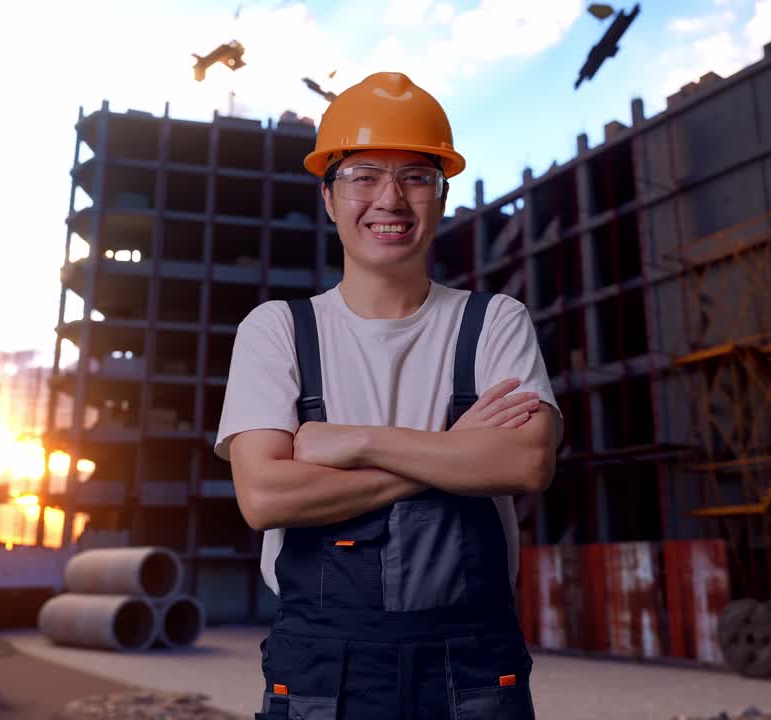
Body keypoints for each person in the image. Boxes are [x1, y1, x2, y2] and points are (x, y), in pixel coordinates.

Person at [214, 71, 563, 720]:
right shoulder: (279, 331)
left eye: (416, 177)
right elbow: (264, 497)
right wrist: (455, 456)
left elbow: (524, 464)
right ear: (328, 196)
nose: (391, 199)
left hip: (474, 672)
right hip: (322, 671)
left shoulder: (495, 322)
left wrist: (357, 443)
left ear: (443, 193)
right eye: (364, 175)